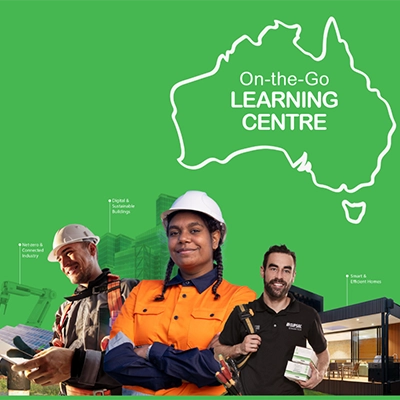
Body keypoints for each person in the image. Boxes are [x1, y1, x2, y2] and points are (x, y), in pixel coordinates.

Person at [103, 190, 256, 395]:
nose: (183, 239)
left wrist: (150, 351)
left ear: (215, 238)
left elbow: (217, 367)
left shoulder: (240, 298)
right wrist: (185, 375)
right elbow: (115, 359)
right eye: (174, 233)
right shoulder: (141, 292)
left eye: (194, 231)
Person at [12, 224, 139, 395]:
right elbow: (59, 352)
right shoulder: (65, 309)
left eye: (68, 252)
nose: (64, 264)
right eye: (59, 259)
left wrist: (77, 364)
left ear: (92, 249)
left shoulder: (129, 291)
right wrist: (41, 358)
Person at [215, 244, 329, 395]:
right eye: (273, 268)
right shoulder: (241, 313)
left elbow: (323, 353)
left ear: (293, 275)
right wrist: (239, 348)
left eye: (286, 270)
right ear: (263, 271)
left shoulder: (308, 315)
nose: (279, 276)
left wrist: (319, 374)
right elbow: (217, 353)